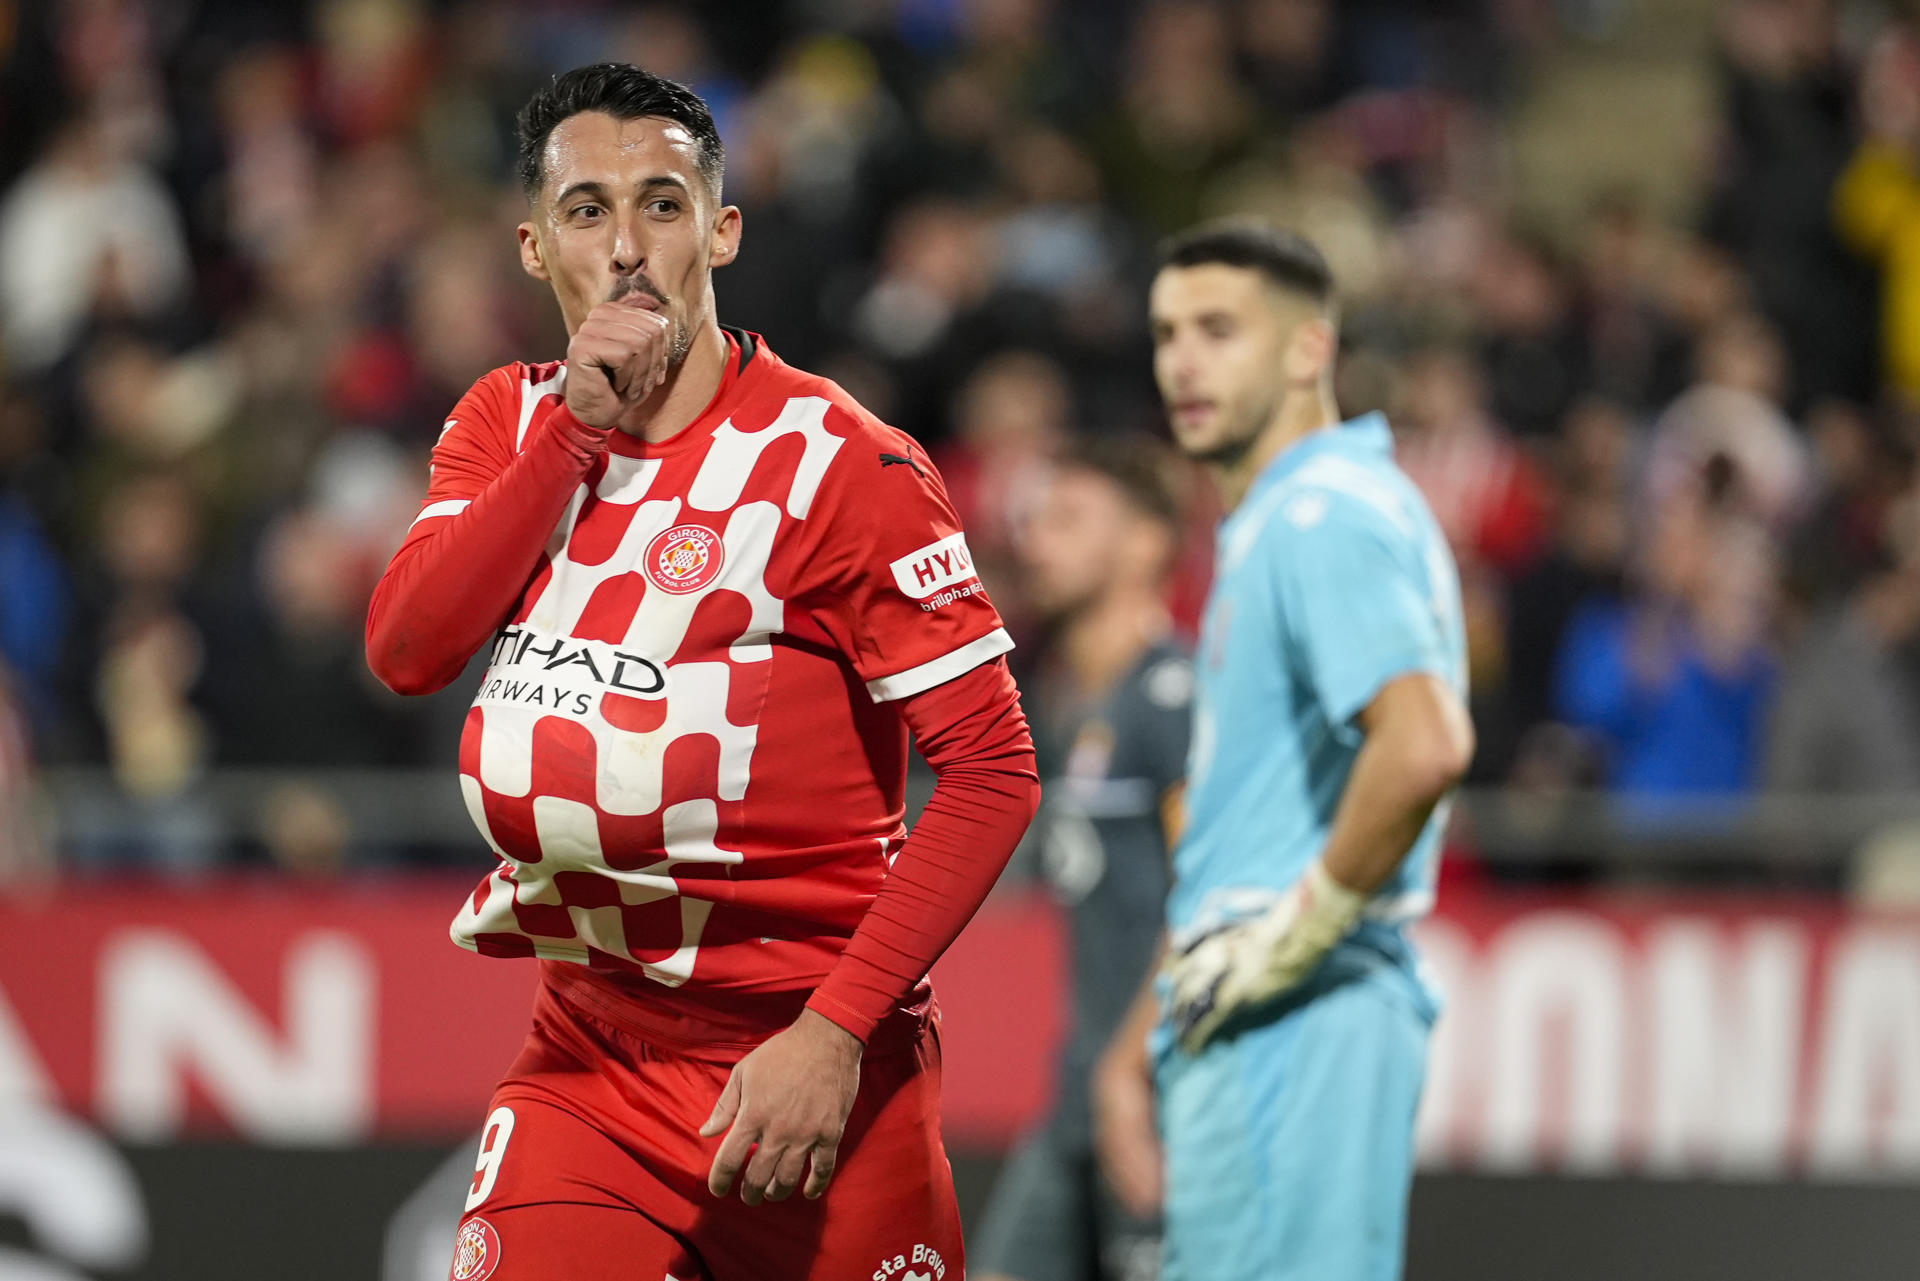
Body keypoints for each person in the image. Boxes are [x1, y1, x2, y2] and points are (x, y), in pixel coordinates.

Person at [365, 64, 1039, 1281]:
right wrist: (576, 427)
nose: (626, 247)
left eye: (663, 204)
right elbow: (409, 652)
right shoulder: (505, 425)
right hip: (590, 1059)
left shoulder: (842, 465)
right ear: (532, 248)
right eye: (586, 211)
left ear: (721, 228)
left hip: (812, 1078)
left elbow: (994, 772)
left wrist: (834, 1034)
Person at [1093, 221, 1474, 1281]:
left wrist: (1289, 941)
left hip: (1297, 1016)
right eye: (1168, 333)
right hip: (1264, 1013)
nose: (1183, 361)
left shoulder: (1318, 513)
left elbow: (1426, 741)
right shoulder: (1290, 518)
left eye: (1220, 330)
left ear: (1311, 349)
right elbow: (1247, 831)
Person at [973, 435, 1191, 1281]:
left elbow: (1208, 897)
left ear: (1145, 544)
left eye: (1069, 518)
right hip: (1081, 1093)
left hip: (1155, 1091)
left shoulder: (1173, 698)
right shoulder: (1065, 706)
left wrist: (1126, 1066)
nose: (1038, 539)